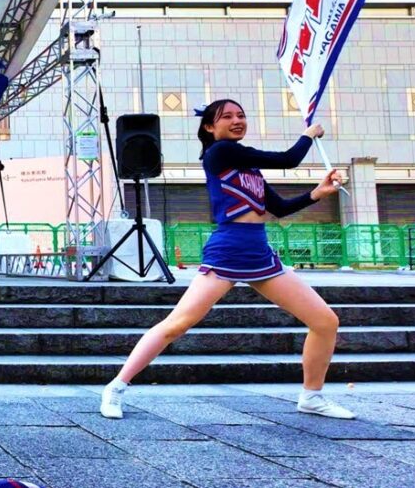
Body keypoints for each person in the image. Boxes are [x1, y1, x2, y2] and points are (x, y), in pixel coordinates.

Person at [99, 99, 352, 420]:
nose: (237, 120)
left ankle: (312, 396)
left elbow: (280, 208)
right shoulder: (220, 152)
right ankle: (117, 386)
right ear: (209, 127)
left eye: (241, 115)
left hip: (259, 253)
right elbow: (288, 159)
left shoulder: (249, 167)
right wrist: (309, 135)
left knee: (325, 321)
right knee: (178, 324)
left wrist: (318, 193)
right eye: (227, 116)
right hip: (227, 250)